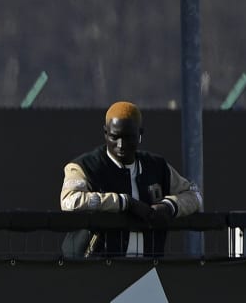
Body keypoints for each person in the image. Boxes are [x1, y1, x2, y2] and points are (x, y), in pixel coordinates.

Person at [60, 101, 202, 258]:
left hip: (148, 270)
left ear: (140, 135)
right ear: (105, 133)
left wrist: (169, 207)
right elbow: (70, 201)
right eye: (115, 137)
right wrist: (123, 202)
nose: (121, 145)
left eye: (128, 138)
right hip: (95, 269)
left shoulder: (156, 166)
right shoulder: (84, 166)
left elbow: (194, 196)